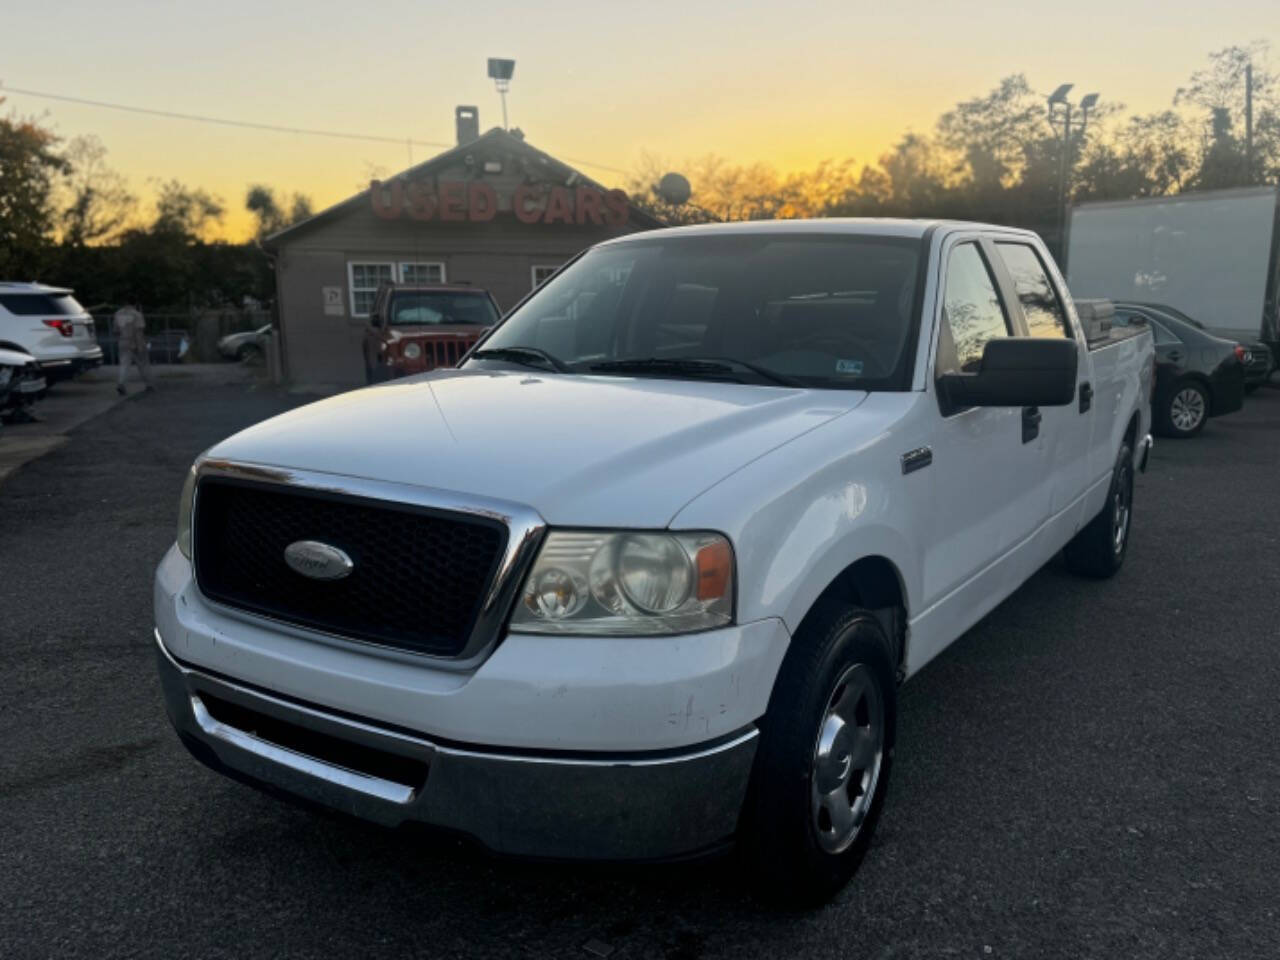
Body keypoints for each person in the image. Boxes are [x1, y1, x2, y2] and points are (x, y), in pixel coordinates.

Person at [113, 300, 154, 395]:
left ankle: (121, 383)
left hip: (123, 341)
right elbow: (139, 332)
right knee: (143, 364)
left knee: (124, 365)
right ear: (135, 304)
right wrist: (140, 346)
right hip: (135, 341)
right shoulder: (137, 315)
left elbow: (115, 330)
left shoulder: (117, 314)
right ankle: (149, 385)